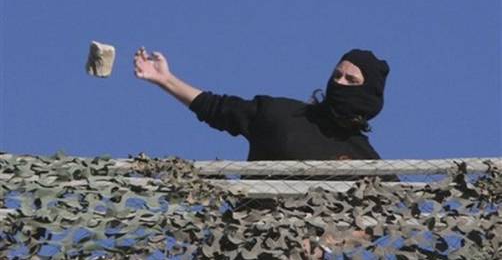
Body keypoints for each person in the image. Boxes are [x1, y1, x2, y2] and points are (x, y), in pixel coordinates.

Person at [133, 47, 389, 163]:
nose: (340, 83)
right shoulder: (282, 114)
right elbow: (216, 108)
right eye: (337, 76)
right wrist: (165, 79)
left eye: (351, 80)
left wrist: (330, 242)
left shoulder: (363, 157)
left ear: (368, 94)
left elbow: (385, 215)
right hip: (250, 244)